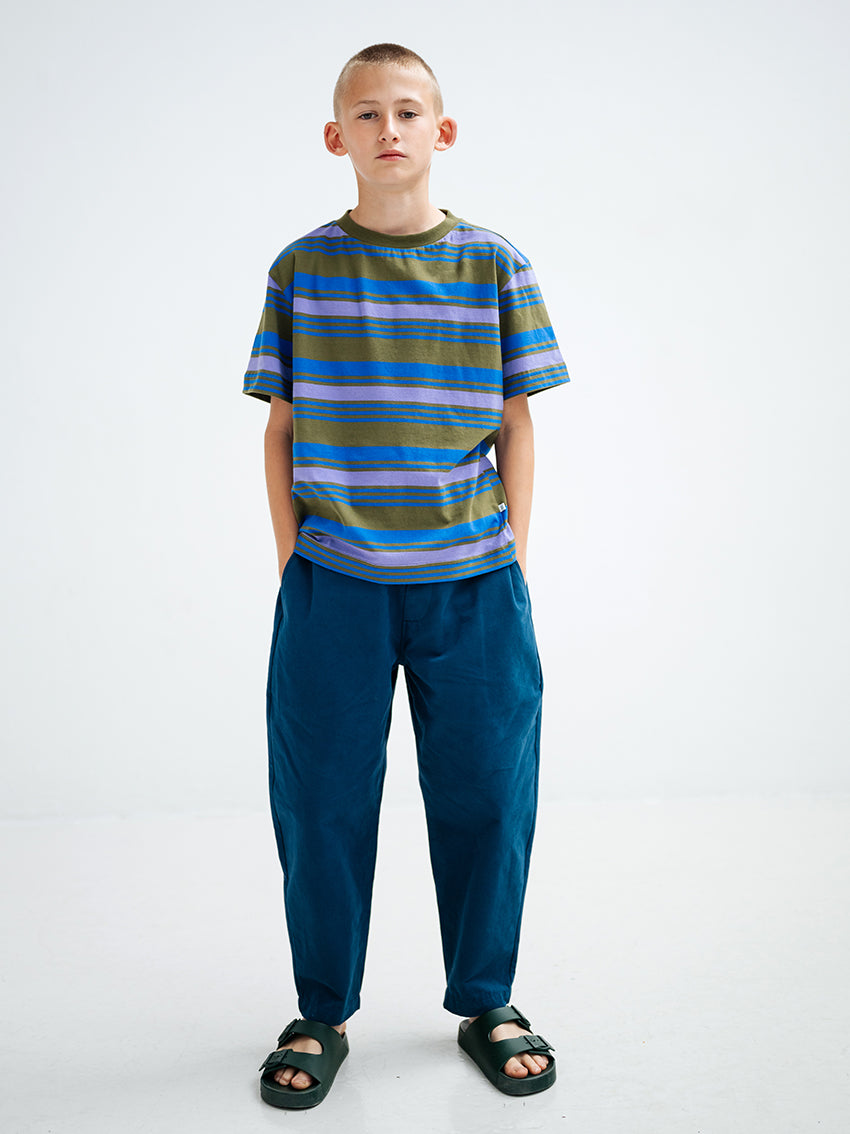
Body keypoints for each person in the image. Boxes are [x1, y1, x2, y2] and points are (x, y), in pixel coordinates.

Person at [243, 43, 569, 1109]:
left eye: (410, 111)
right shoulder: (301, 269)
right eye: (368, 114)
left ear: (443, 130)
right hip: (332, 581)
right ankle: (321, 1011)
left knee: (487, 795)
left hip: (473, 581)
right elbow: (280, 429)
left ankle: (487, 1001)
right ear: (335, 137)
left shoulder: (494, 265)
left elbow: (517, 425)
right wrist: (295, 562)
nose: (390, 129)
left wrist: (512, 557)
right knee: (321, 799)